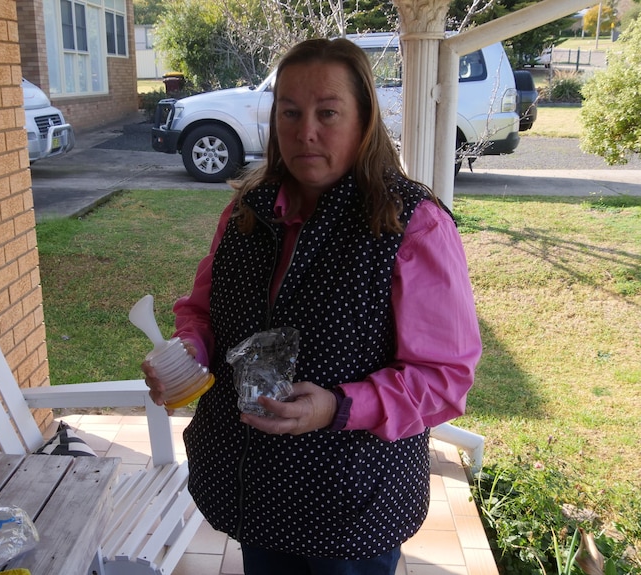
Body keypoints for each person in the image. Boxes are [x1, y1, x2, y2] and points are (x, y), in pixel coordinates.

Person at [141, 37, 482, 574]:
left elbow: (443, 377)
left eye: (327, 112)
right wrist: (190, 351)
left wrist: (336, 406)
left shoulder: (410, 224)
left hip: (350, 504)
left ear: (364, 119)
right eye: (290, 112)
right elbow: (205, 310)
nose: (306, 132)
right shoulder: (246, 212)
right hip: (253, 487)